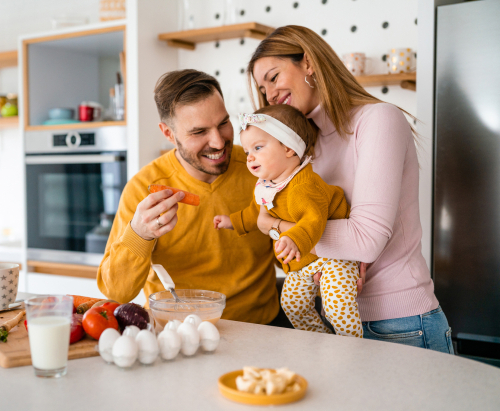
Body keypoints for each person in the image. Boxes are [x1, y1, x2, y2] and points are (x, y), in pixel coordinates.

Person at [245, 25, 453, 353]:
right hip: (338, 319)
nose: (269, 94)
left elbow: (364, 241)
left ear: (309, 63)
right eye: (261, 87)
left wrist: (272, 226)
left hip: (402, 324)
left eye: (273, 77)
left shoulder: (378, 120)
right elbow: (317, 245)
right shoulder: (303, 151)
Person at [97, 69, 282, 325]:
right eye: (199, 132)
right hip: (175, 334)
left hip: (261, 330)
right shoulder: (144, 188)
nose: (218, 142)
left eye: (223, 124)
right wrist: (140, 234)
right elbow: (117, 292)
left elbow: (291, 252)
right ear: (168, 134)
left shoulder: (261, 171)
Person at [213, 105, 362, 338]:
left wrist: (292, 238)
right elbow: (256, 213)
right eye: (248, 150)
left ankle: (353, 345)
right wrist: (232, 221)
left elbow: (313, 220)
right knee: (293, 304)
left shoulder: (304, 185)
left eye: (258, 147)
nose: (249, 156)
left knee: (337, 307)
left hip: (334, 257)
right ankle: (319, 340)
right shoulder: (268, 185)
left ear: (289, 149)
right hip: (303, 260)